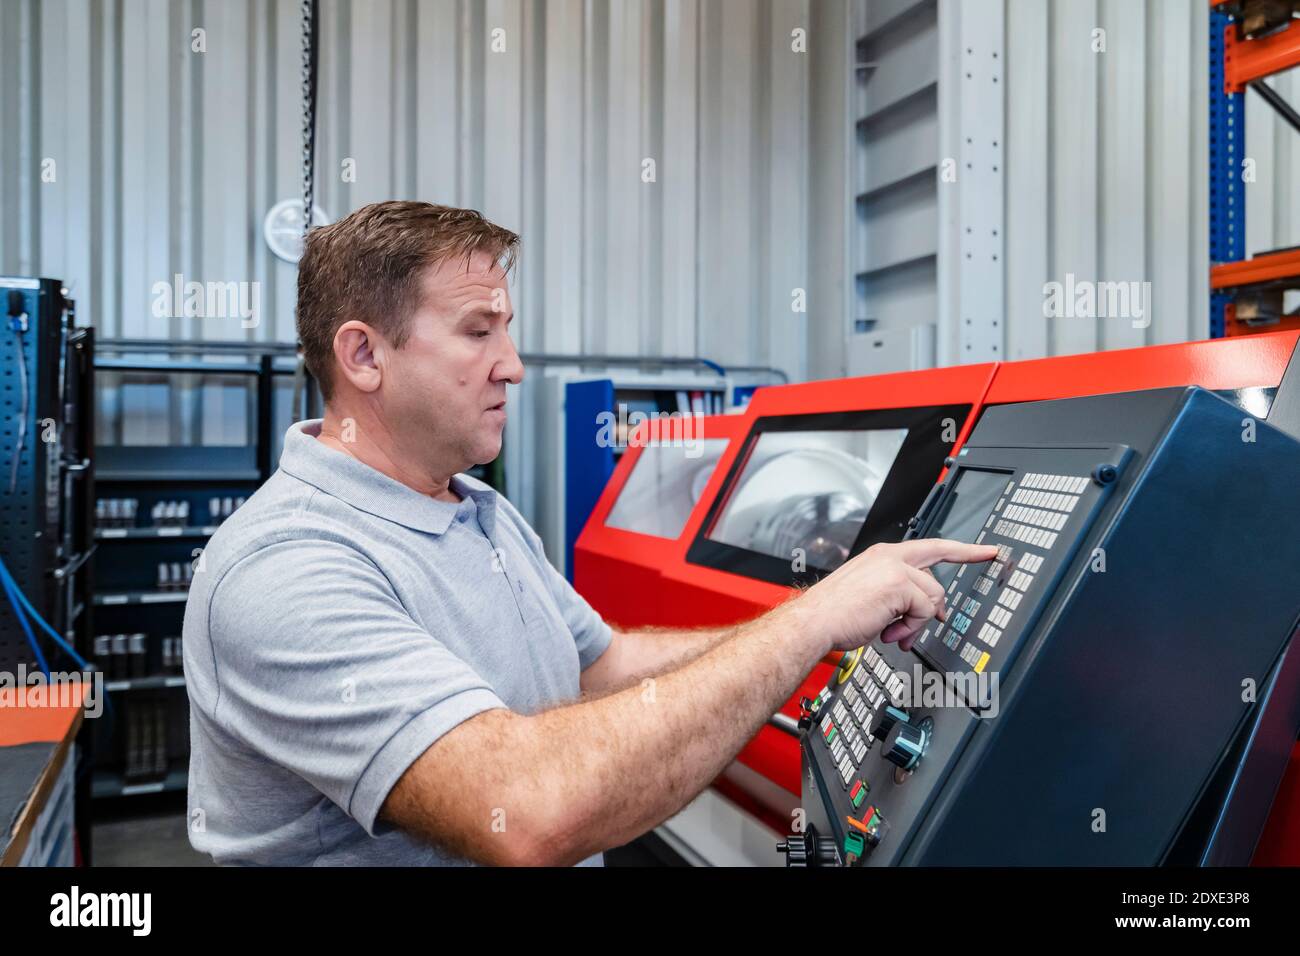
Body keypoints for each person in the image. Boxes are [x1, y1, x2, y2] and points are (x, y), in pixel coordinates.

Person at [182, 200, 996, 866]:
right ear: (363, 355)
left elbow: (602, 665)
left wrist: (816, 621)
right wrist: (810, 620)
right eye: (478, 331)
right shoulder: (284, 567)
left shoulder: (476, 509)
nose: (514, 365)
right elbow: (525, 814)